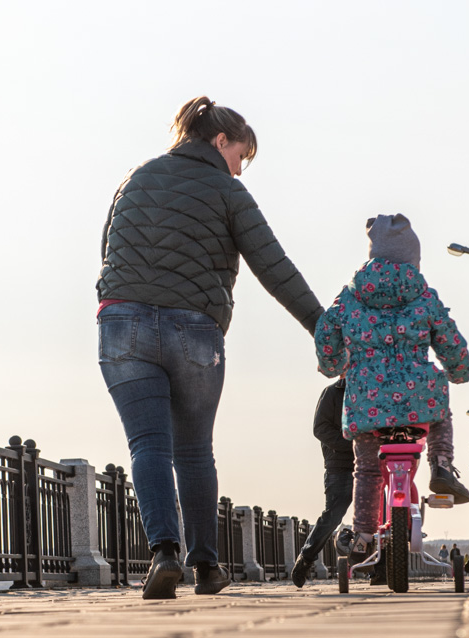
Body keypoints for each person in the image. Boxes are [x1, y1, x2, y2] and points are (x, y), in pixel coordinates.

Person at [98, 96, 323, 599]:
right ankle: (204, 565)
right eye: (241, 156)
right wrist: (321, 327)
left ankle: (164, 554)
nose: (240, 170)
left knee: (147, 446)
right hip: (193, 330)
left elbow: (107, 250)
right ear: (220, 141)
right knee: (194, 450)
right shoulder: (227, 192)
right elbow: (274, 267)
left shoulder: (135, 178)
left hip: (121, 323)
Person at [314, 214, 469, 575]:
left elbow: (326, 331)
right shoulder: (423, 294)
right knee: (441, 406)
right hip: (418, 400)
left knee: (367, 470)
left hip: (366, 403)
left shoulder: (351, 295)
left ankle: (364, 534)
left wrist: (334, 363)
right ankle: (441, 465)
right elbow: (449, 339)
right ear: (413, 260)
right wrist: (460, 370)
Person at [291, 378, 353, 588]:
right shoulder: (332, 393)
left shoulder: (373, 387)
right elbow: (320, 428)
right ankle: (306, 558)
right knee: (333, 514)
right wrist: (350, 446)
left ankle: (379, 567)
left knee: (381, 515)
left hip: (373, 461)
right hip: (340, 463)